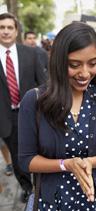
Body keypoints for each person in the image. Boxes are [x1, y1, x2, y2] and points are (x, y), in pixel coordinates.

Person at [18, 21, 96, 210]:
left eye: (92, 63)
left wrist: (88, 162)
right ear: (59, 62)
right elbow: (27, 160)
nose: (84, 73)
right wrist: (66, 164)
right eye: (74, 65)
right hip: (52, 201)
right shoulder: (34, 100)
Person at [0, 13, 46, 202]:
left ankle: (43, 185)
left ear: (17, 31)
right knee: (19, 159)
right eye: (1, 27)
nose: (5, 31)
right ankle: (27, 188)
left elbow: (44, 85)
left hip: (33, 114)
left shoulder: (31, 53)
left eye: (10, 27)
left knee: (41, 151)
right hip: (6, 117)